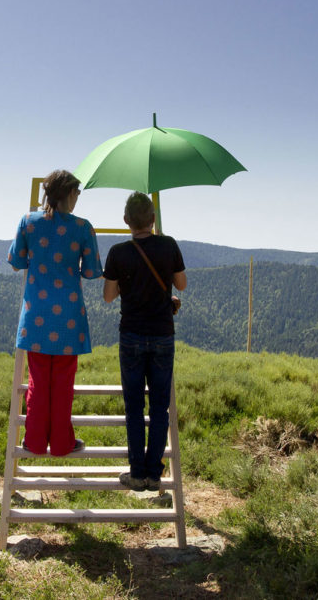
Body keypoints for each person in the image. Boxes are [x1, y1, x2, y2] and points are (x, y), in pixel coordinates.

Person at [7, 170, 102, 456]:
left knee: (37, 380)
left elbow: (16, 262)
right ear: (68, 193)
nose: (77, 199)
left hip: (35, 314)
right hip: (69, 316)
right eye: (77, 193)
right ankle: (62, 443)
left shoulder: (28, 221)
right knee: (63, 382)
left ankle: (34, 442)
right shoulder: (83, 227)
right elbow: (91, 271)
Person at [102, 192, 186, 491]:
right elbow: (181, 284)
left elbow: (109, 297)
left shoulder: (117, 252)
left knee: (134, 407)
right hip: (163, 334)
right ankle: (155, 473)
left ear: (126, 221)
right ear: (152, 219)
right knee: (160, 408)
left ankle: (137, 473)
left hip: (132, 334)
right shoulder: (169, 244)